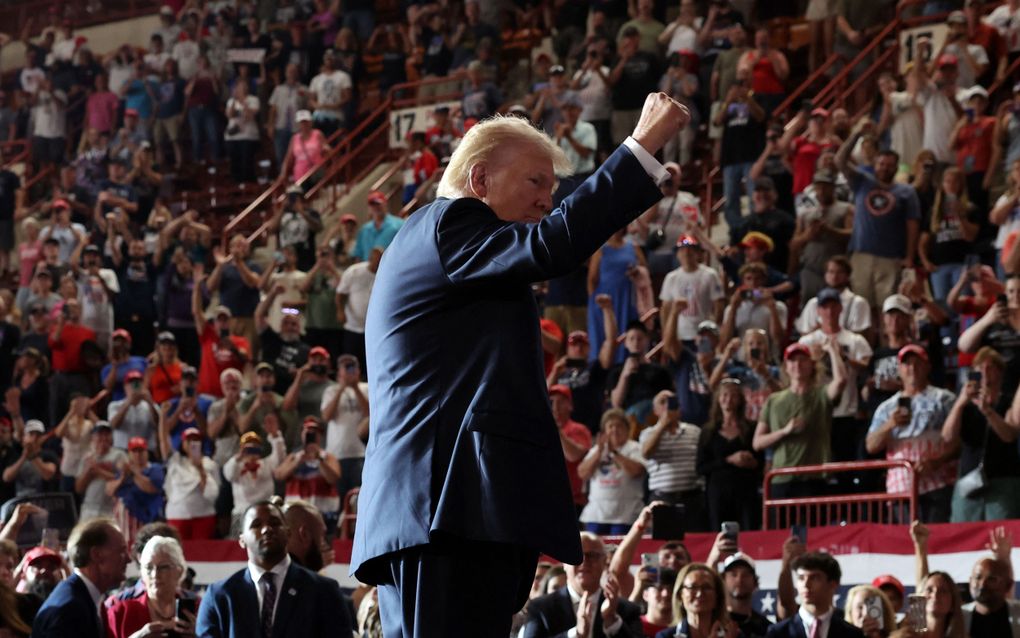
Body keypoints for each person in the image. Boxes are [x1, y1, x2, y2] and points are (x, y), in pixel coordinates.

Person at [352, 94, 689, 636]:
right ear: (479, 179)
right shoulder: (449, 224)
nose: (546, 201)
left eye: (552, 189)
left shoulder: (460, 252)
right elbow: (556, 242)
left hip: (456, 512)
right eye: (535, 182)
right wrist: (642, 145)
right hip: (441, 509)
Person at [195, 501, 352, 638]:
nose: (266, 530)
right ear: (242, 540)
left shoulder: (324, 591)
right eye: (256, 525)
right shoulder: (220, 595)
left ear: (288, 532)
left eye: (274, 523)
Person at [866, 344, 958, 523]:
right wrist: (890, 424)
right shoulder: (886, 408)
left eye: (918, 363)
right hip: (901, 487)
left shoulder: (944, 399)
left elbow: (958, 441)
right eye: (907, 364)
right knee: (908, 543)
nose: (912, 368)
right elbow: (871, 445)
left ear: (928, 367)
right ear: (899, 369)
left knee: (937, 540)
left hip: (939, 482)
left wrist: (937, 461)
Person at [753, 341, 847, 505]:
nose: (797, 364)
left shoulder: (821, 395)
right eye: (792, 360)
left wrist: (832, 350)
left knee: (815, 530)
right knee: (781, 530)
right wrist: (784, 431)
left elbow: (840, 381)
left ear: (812, 365)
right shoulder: (774, 400)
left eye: (803, 360)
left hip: (814, 476)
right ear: (786, 367)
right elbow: (757, 443)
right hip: (782, 477)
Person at [521, 532, 643, 638]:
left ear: (605, 561)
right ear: (564, 563)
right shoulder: (540, 608)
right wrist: (576, 634)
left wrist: (612, 621)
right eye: (577, 555)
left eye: (592, 556)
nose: (584, 562)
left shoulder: (627, 610)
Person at [32, 518, 130, 638]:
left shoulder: (88, 597)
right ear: (97, 555)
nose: (128, 559)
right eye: (122, 551)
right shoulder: (69, 610)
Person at [105, 536, 195, 638]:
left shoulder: (198, 609)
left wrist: (201, 634)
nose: (155, 574)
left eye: (163, 567)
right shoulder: (121, 613)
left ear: (180, 571)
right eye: (148, 568)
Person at [577, 408, 646, 535]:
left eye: (619, 426)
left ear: (627, 429)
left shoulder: (634, 447)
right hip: (596, 515)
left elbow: (636, 471)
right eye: (610, 426)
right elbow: (582, 473)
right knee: (593, 551)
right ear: (604, 431)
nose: (614, 429)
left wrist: (613, 452)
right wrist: (599, 452)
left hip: (626, 515)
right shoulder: (597, 450)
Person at [766, 552, 864, 638]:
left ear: (833, 584)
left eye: (814, 578)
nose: (806, 585)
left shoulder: (852, 634)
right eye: (801, 578)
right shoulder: (778, 633)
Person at [655, 562, 739, 638]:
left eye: (706, 587)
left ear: (717, 595)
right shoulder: (665, 636)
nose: (699, 593)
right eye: (692, 587)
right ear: (680, 595)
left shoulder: (732, 635)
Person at [721, 554, 771, 638]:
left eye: (746, 575)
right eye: (734, 574)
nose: (739, 579)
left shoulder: (766, 628)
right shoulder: (713, 622)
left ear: (755, 583)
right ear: (723, 581)